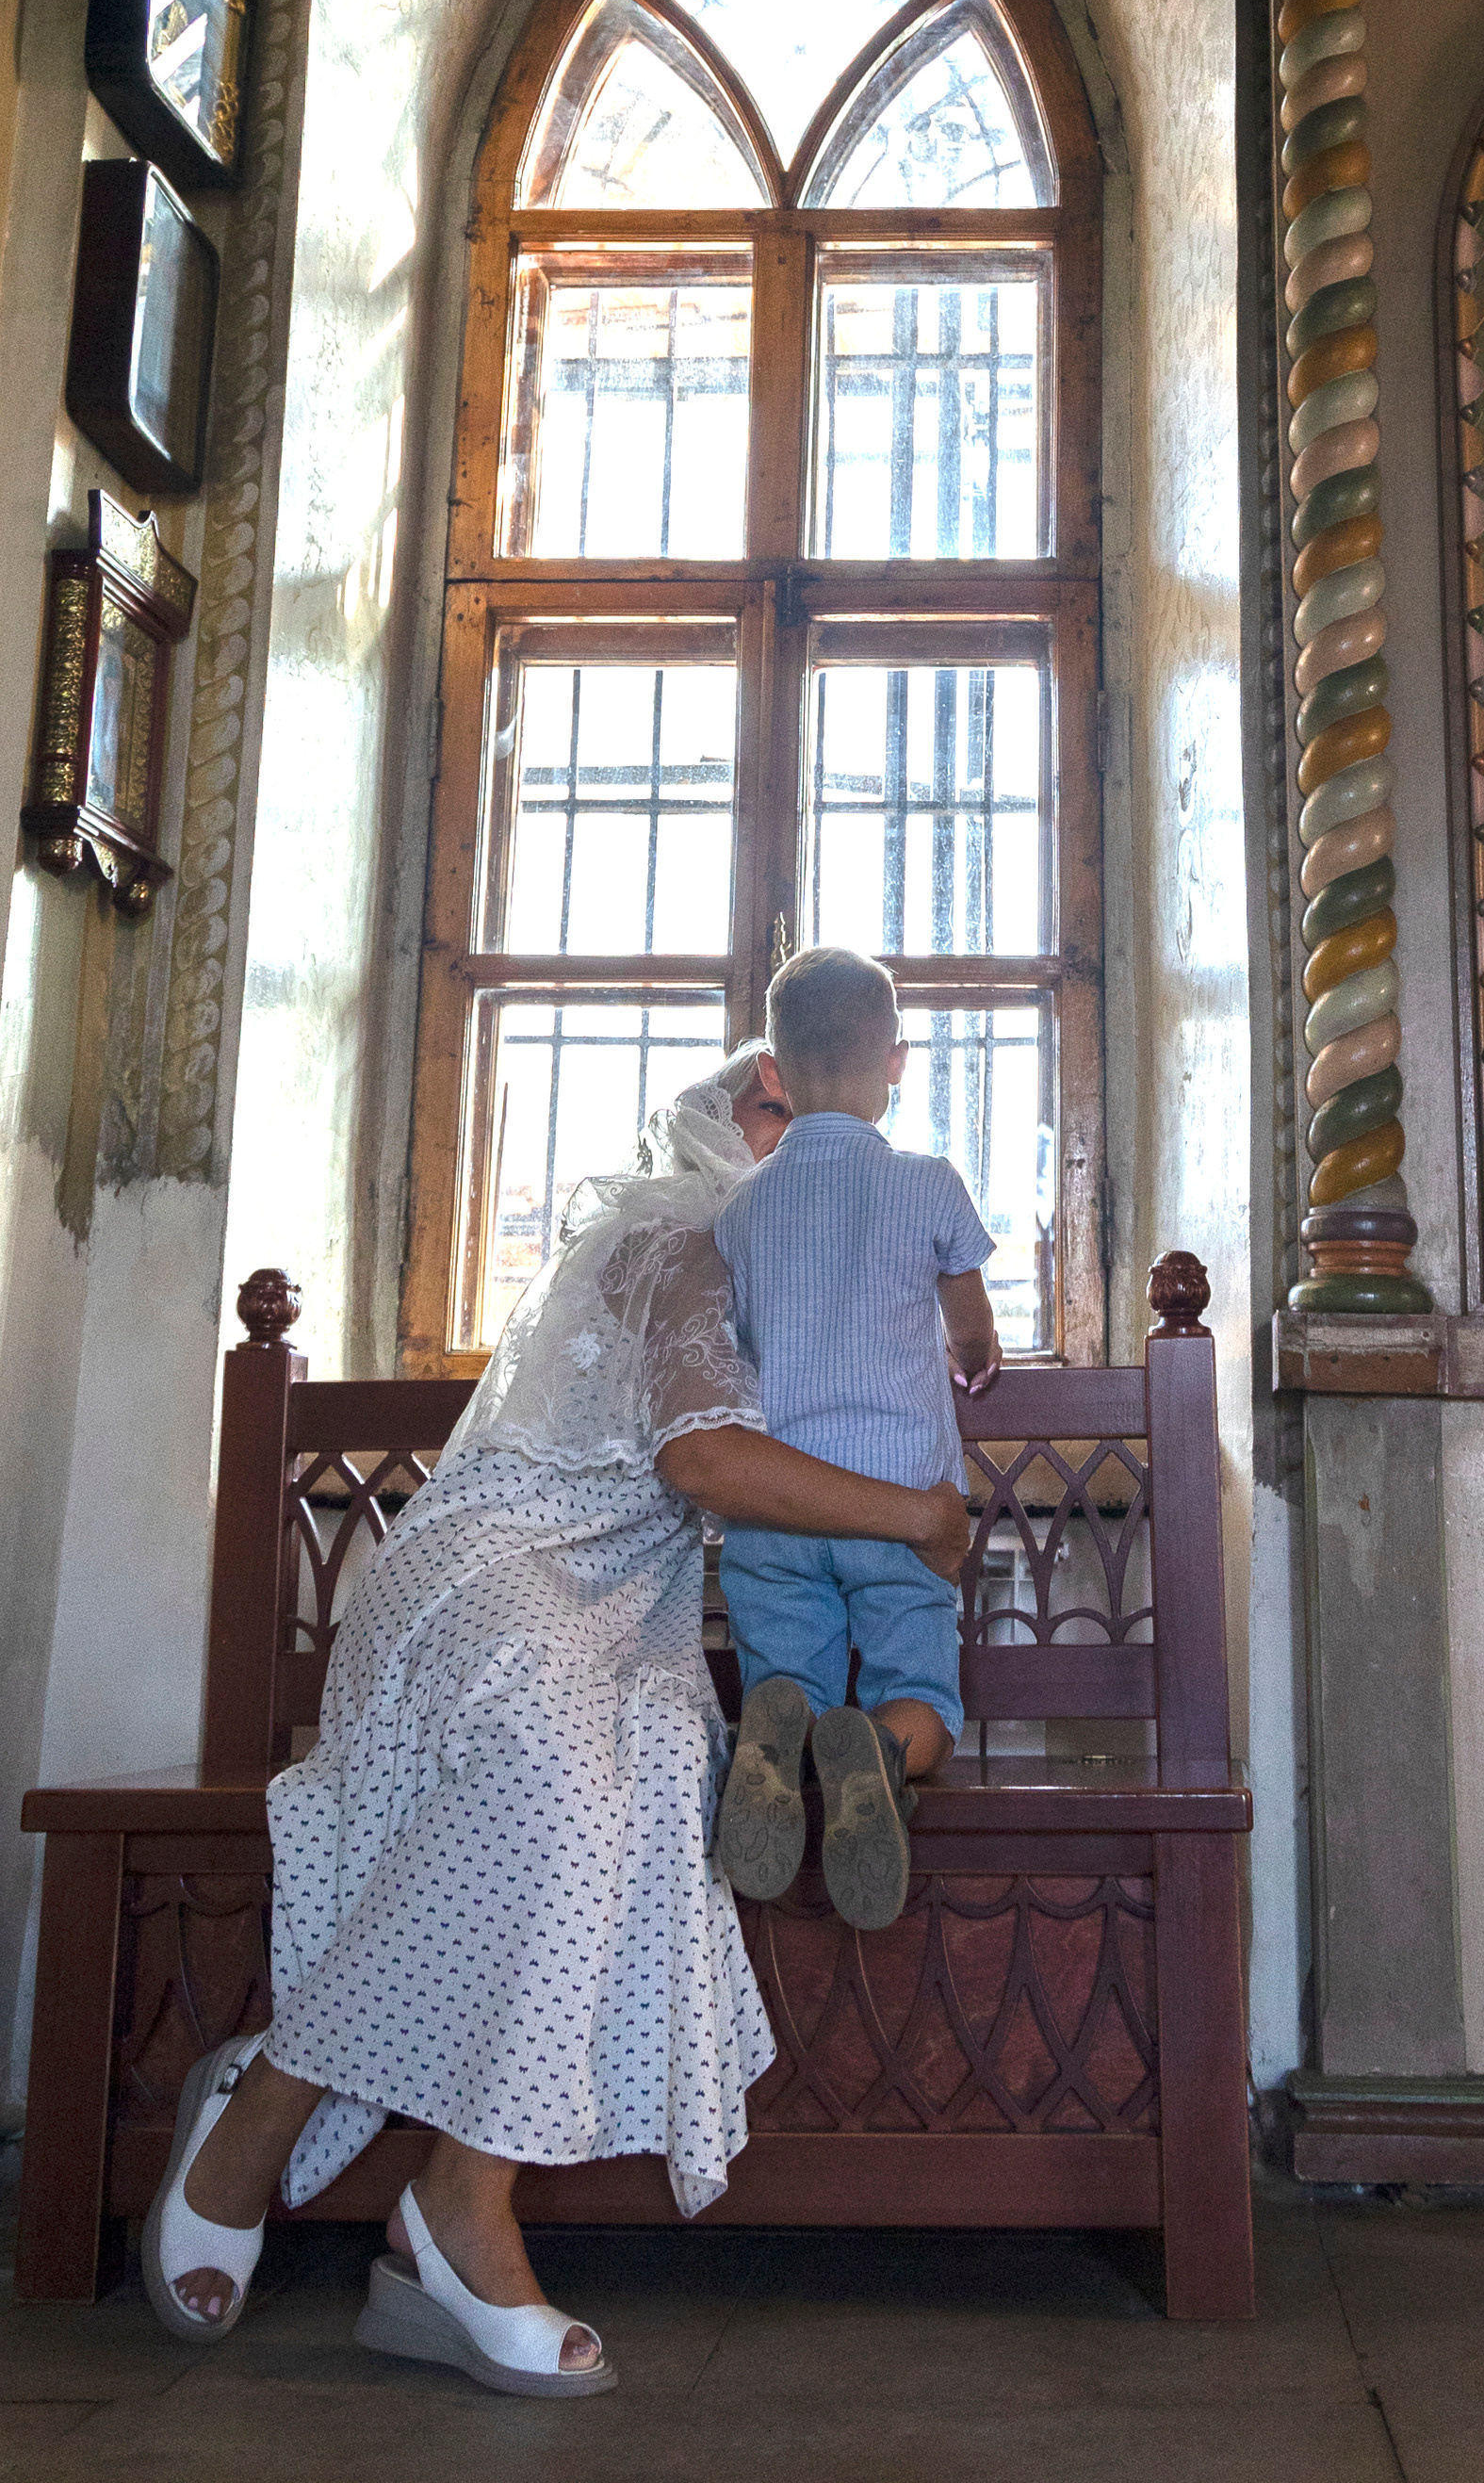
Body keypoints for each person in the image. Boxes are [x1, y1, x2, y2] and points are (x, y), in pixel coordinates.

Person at [140, 1044, 971, 2396]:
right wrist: (925, 1516)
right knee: (561, 1775)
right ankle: (281, 2113)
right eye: (776, 1104)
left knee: (660, 1774)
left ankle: (449, 2196)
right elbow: (704, 1458)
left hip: (627, 1605)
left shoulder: (794, 1274)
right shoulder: (680, 1236)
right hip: (496, 1570)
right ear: (717, 1123)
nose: (808, 1128)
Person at [711, 948, 1003, 1932]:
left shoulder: (740, 1208)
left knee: (786, 1679)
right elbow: (971, 1330)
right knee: (922, 1692)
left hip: (777, 1511)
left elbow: (738, 1349)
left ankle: (776, 1733)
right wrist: (973, 1356)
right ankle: (883, 1748)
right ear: (896, 1062)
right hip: (902, 1510)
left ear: (773, 1072)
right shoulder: (929, 1184)